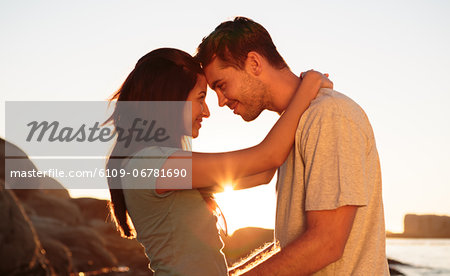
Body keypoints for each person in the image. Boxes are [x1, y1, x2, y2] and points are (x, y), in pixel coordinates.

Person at [105, 48, 332, 276]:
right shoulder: (149, 163)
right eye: (200, 98)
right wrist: (307, 87)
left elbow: (262, 173)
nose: (206, 112)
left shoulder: (159, 163)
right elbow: (267, 156)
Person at [195, 17, 389, 275]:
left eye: (221, 85)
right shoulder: (294, 128)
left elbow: (326, 243)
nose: (219, 102)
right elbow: (291, 244)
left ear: (254, 63)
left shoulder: (328, 115)